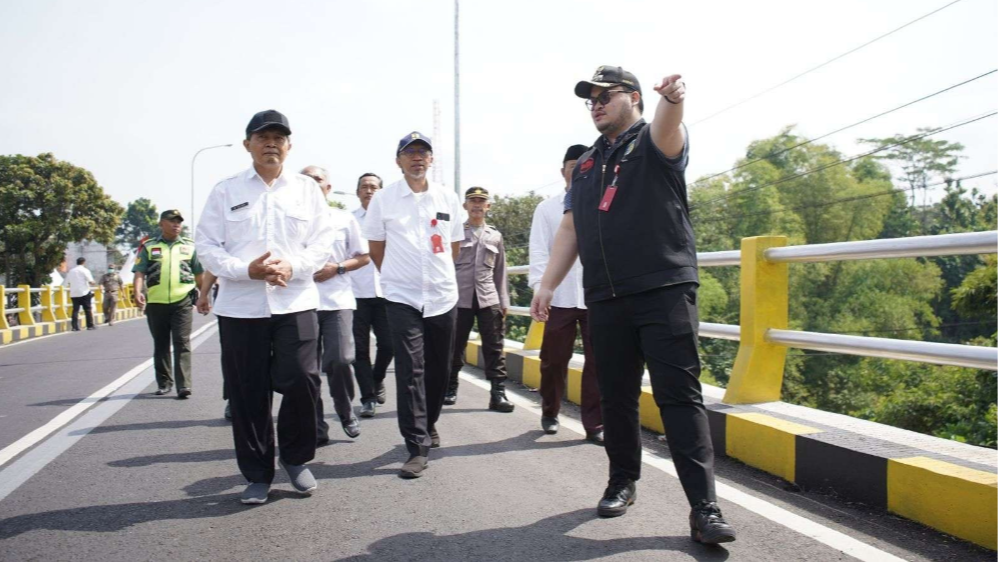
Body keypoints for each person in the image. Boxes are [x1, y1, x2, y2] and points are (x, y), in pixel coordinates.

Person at [530, 67, 736, 544]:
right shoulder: (584, 166)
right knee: (616, 396)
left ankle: (704, 507)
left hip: (663, 289)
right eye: (591, 98)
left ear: (635, 98)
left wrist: (674, 100)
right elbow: (571, 229)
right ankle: (622, 480)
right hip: (605, 295)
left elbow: (670, 127)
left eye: (606, 95)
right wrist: (546, 285)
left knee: (678, 396)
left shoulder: (651, 142)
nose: (596, 103)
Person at [196, 109, 335, 504]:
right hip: (241, 307)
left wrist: (294, 266)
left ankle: (296, 459)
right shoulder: (226, 191)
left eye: (279, 137)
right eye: (263, 137)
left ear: (289, 147)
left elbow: (321, 243)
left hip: (296, 300)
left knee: (303, 378)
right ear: (248, 145)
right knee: (247, 390)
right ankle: (257, 473)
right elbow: (206, 245)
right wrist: (245, 270)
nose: (271, 143)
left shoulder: (307, 191)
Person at [363, 131, 464, 479]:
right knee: (410, 370)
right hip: (401, 297)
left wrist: (436, 277)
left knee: (440, 369)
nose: (417, 158)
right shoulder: (384, 200)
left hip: (442, 295)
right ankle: (416, 446)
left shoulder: (447, 198)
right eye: (410, 153)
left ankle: (429, 422)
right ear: (399, 161)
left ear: (431, 160)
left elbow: (453, 248)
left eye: (423, 152)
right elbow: (377, 248)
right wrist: (396, 275)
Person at [528, 145, 603, 445]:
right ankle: (550, 411)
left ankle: (594, 424)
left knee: (598, 362)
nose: (579, 169)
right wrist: (540, 289)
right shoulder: (547, 208)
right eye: (573, 164)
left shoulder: (603, 202)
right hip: (558, 297)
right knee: (553, 360)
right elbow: (538, 252)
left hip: (595, 296)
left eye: (585, 164)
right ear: (563, 171)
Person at [301, 165, 371, 441]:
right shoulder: (289, 219)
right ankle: (317, 424)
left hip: (337, 301)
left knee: (340, 360)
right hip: (301, 303)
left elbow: (363, 257)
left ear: (328, 188)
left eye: (318, 179)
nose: (312, 184)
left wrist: (337, 268)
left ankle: (345, 411)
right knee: (306, 370)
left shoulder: (343, 219)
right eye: (305, 180)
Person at [446, 186, 514, 412]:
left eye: (481, 201)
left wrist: (504, 300)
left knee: (494, 346)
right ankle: (450, 386)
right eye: (472, 200)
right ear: (465, 206)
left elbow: (501, 270)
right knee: (455, 345)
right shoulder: (454, 232)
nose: (477, 204)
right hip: (459, 297)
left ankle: (498, 394)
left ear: (488, 206)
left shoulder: (495, 235)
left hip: (488, 297)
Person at [133, 210, 204, 398]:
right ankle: (164, 382)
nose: (176, 225)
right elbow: (139, 272)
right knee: (161, 343)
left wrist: (205, 296)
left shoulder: (190, 247)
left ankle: (184, 385)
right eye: (172, 221)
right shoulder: (149, 247)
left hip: (183, 301)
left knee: (182, 341)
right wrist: (137, 291)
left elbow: (198, 274)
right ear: (161, 224)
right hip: (156, 302)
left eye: (179, 222)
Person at [350, 173, 394, 413]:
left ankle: (377, 379)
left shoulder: (391, 218)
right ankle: (367, 398)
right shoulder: (349, 220)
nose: (369, 191)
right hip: (355, 292)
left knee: (389, 345)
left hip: (386, 291)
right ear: (357, 192)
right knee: (359, 350)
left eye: (374, 187)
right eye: (364, 187)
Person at [195, 271, 230, 421]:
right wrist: (204, 294)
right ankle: (234, 399)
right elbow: (213, 264)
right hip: (234, 300)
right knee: (233, 355)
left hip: (286, 300)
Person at [65, 257, 96, 331]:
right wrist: (93, 283)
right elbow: (91, 281)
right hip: (84, 292)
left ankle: (74, 327)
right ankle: (90, 325)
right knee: (87, 309)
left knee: (75, 310)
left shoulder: (71, 271)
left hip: (74, 293)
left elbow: (66, 282)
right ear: (83, 262)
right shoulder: (85, 270)